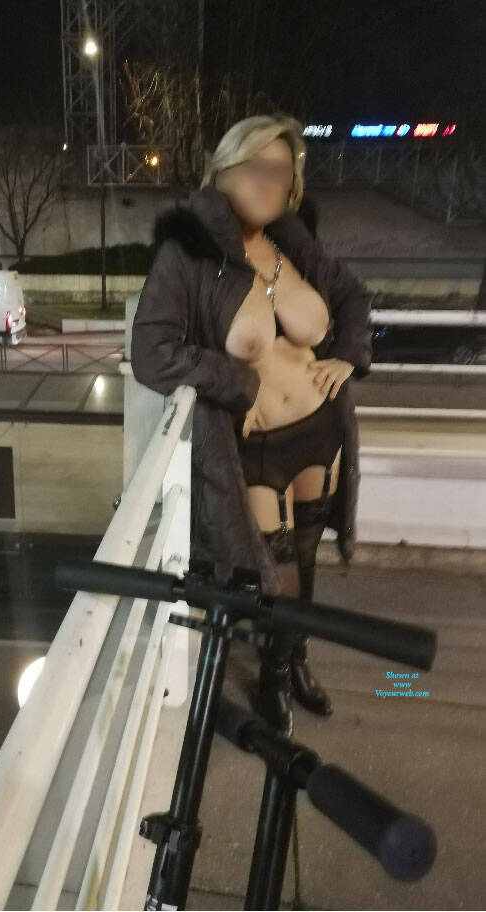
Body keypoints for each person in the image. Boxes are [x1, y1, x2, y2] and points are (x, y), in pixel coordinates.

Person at [131, 113, 372, 736]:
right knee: (275, 569)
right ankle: (274, 674)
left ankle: (294, 661)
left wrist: (349, 354)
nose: (268, 181)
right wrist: (239, 384)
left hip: (322, 430)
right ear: (222, 171)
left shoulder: (294, 243)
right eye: (254, 166)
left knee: (307, 561)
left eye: (281, 170)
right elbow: (152, 352)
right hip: (257, 447)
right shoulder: (188, 253)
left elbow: (352, 298)